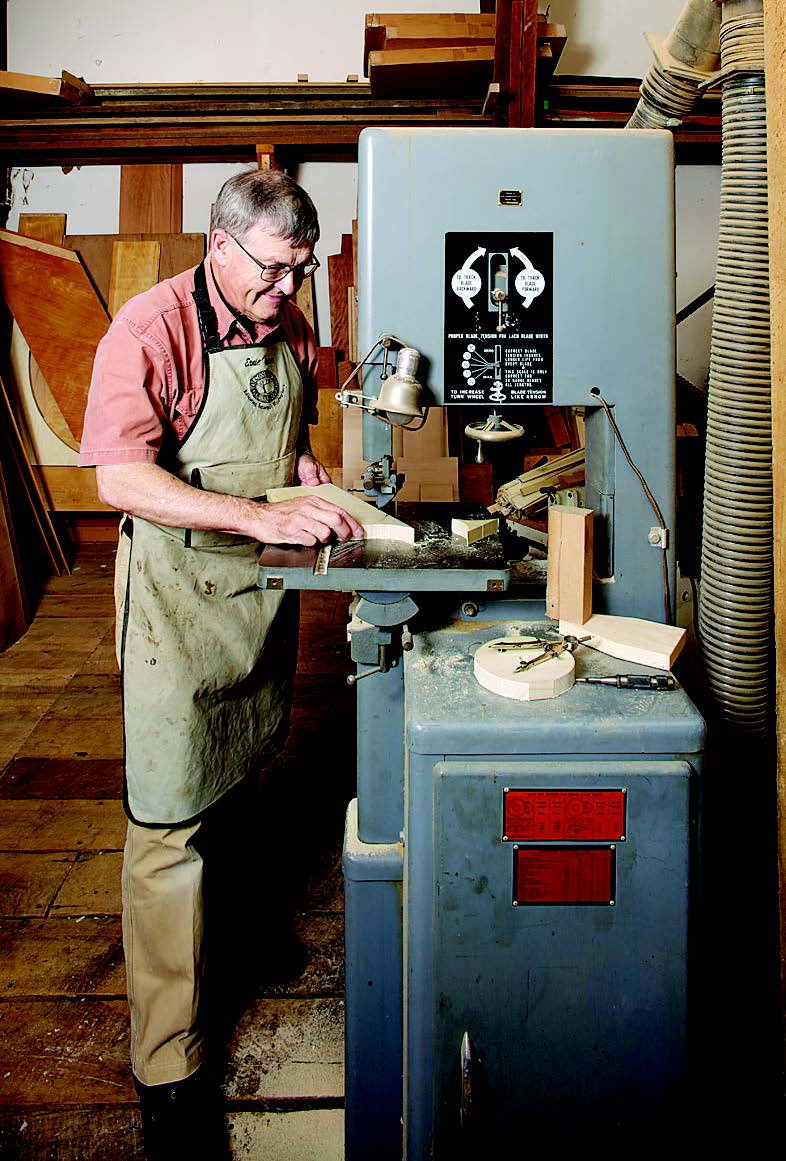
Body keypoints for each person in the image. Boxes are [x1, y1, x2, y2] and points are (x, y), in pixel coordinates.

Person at [78, 168, 363, 1158]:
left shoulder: (285, 323)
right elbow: (118, 472)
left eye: (302, 272)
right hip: (177, 598)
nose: (291, 291)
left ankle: (233, 936)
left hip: (257, 592)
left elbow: (288, 444)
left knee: (243, 766)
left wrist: (311, 482)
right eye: (276, 271)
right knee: (167, 820)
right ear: (220, 245)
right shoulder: (149, 329)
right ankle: (169, 1068)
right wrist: (258, 513)